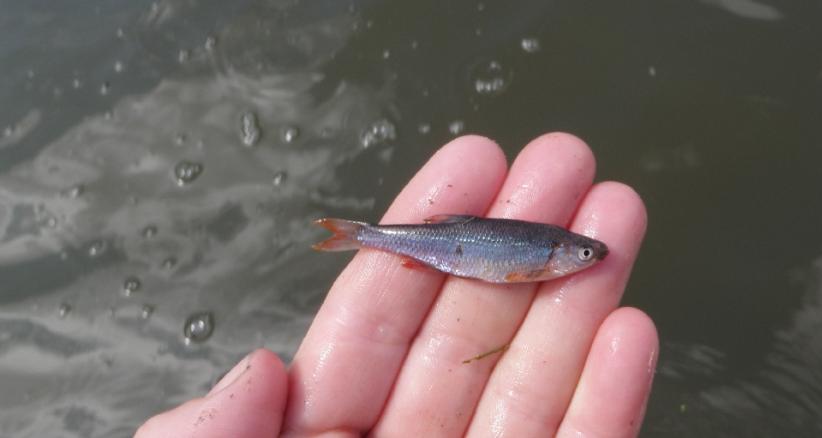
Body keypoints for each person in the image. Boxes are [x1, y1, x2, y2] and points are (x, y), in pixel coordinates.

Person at [136, 133, 658, 438]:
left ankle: (360, 234)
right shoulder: (544, 254)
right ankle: (360, 234)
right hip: (443, 248)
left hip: (450, 251)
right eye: (585, 254)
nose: (586, 260)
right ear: (563, 250)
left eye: (586, 254)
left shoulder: (548, 253)